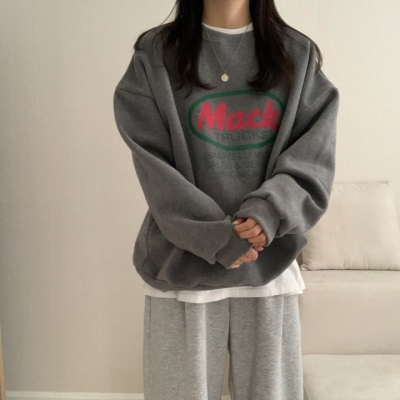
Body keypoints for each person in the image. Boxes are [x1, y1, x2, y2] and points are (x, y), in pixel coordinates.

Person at [113, 0, 340, 398]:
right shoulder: (155, 55)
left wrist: (269, 213)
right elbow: (154, 165)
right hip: (182, 265)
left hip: (268, 266)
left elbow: (313, 158)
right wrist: (218, 236)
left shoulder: (296, 54)